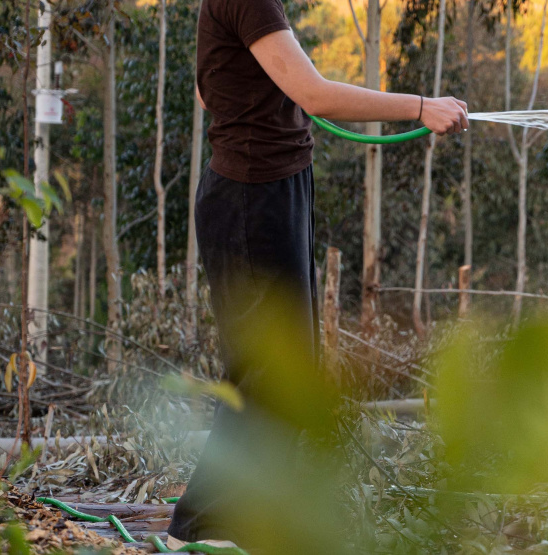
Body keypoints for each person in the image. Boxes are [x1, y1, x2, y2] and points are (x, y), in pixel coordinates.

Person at [166, 0, 469, 548]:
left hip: (276, 192)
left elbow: (209, 91)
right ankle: (201, 526)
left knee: (287, 371)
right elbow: (314, 93)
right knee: (266, 377)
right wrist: (421, 106)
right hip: (249, 202)